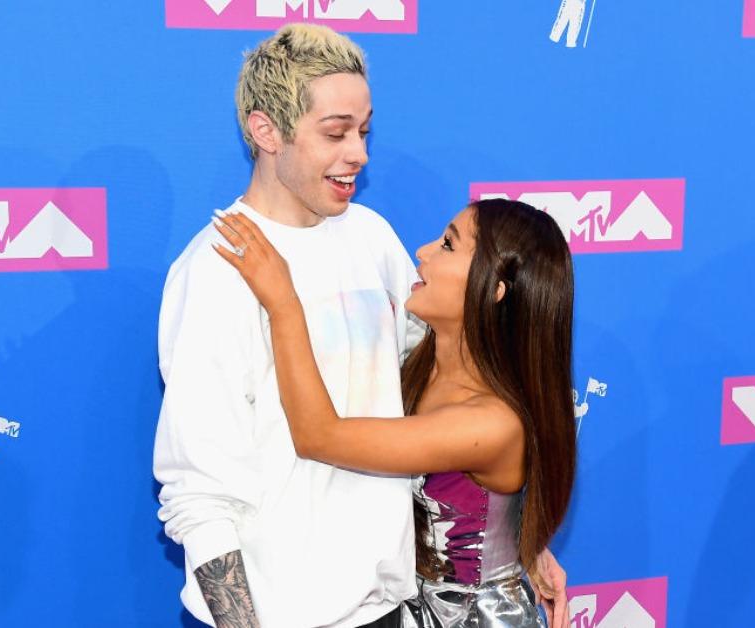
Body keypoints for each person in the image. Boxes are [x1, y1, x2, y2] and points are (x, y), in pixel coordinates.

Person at [153, 24, 569, 628]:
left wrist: (509, 541)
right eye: (335, 132)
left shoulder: (370, 236)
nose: (360, 154)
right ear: (266, 130)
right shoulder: (217, 271)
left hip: (390, 609)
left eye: (364, 130)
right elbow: (198, 492)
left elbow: (443, 379)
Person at [211, 197, 577, 627]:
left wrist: (283, 304)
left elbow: (318, 436)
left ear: (495, 289)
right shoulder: (418, 365)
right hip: (409, 610)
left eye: (447, 245)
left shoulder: (490, 423)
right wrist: (522, 539)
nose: (421, 252)